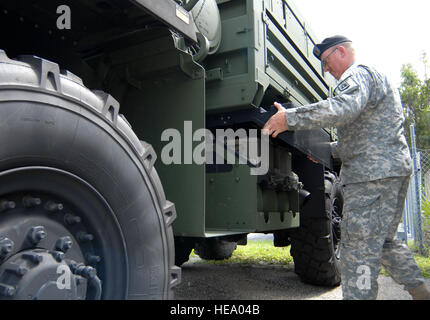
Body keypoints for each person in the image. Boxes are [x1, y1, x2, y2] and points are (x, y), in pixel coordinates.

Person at [263, 35, 430, 300]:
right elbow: (356, 140)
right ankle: (421, 292)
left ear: (341, 51)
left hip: (370, 176)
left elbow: (342, 108)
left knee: (358, 248)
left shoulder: (357, 75)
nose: (326, 70)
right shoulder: (375, 80)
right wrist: (319, 148)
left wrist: (289, 118)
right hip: (391, 169)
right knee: (384, 240)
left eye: (327, 62)